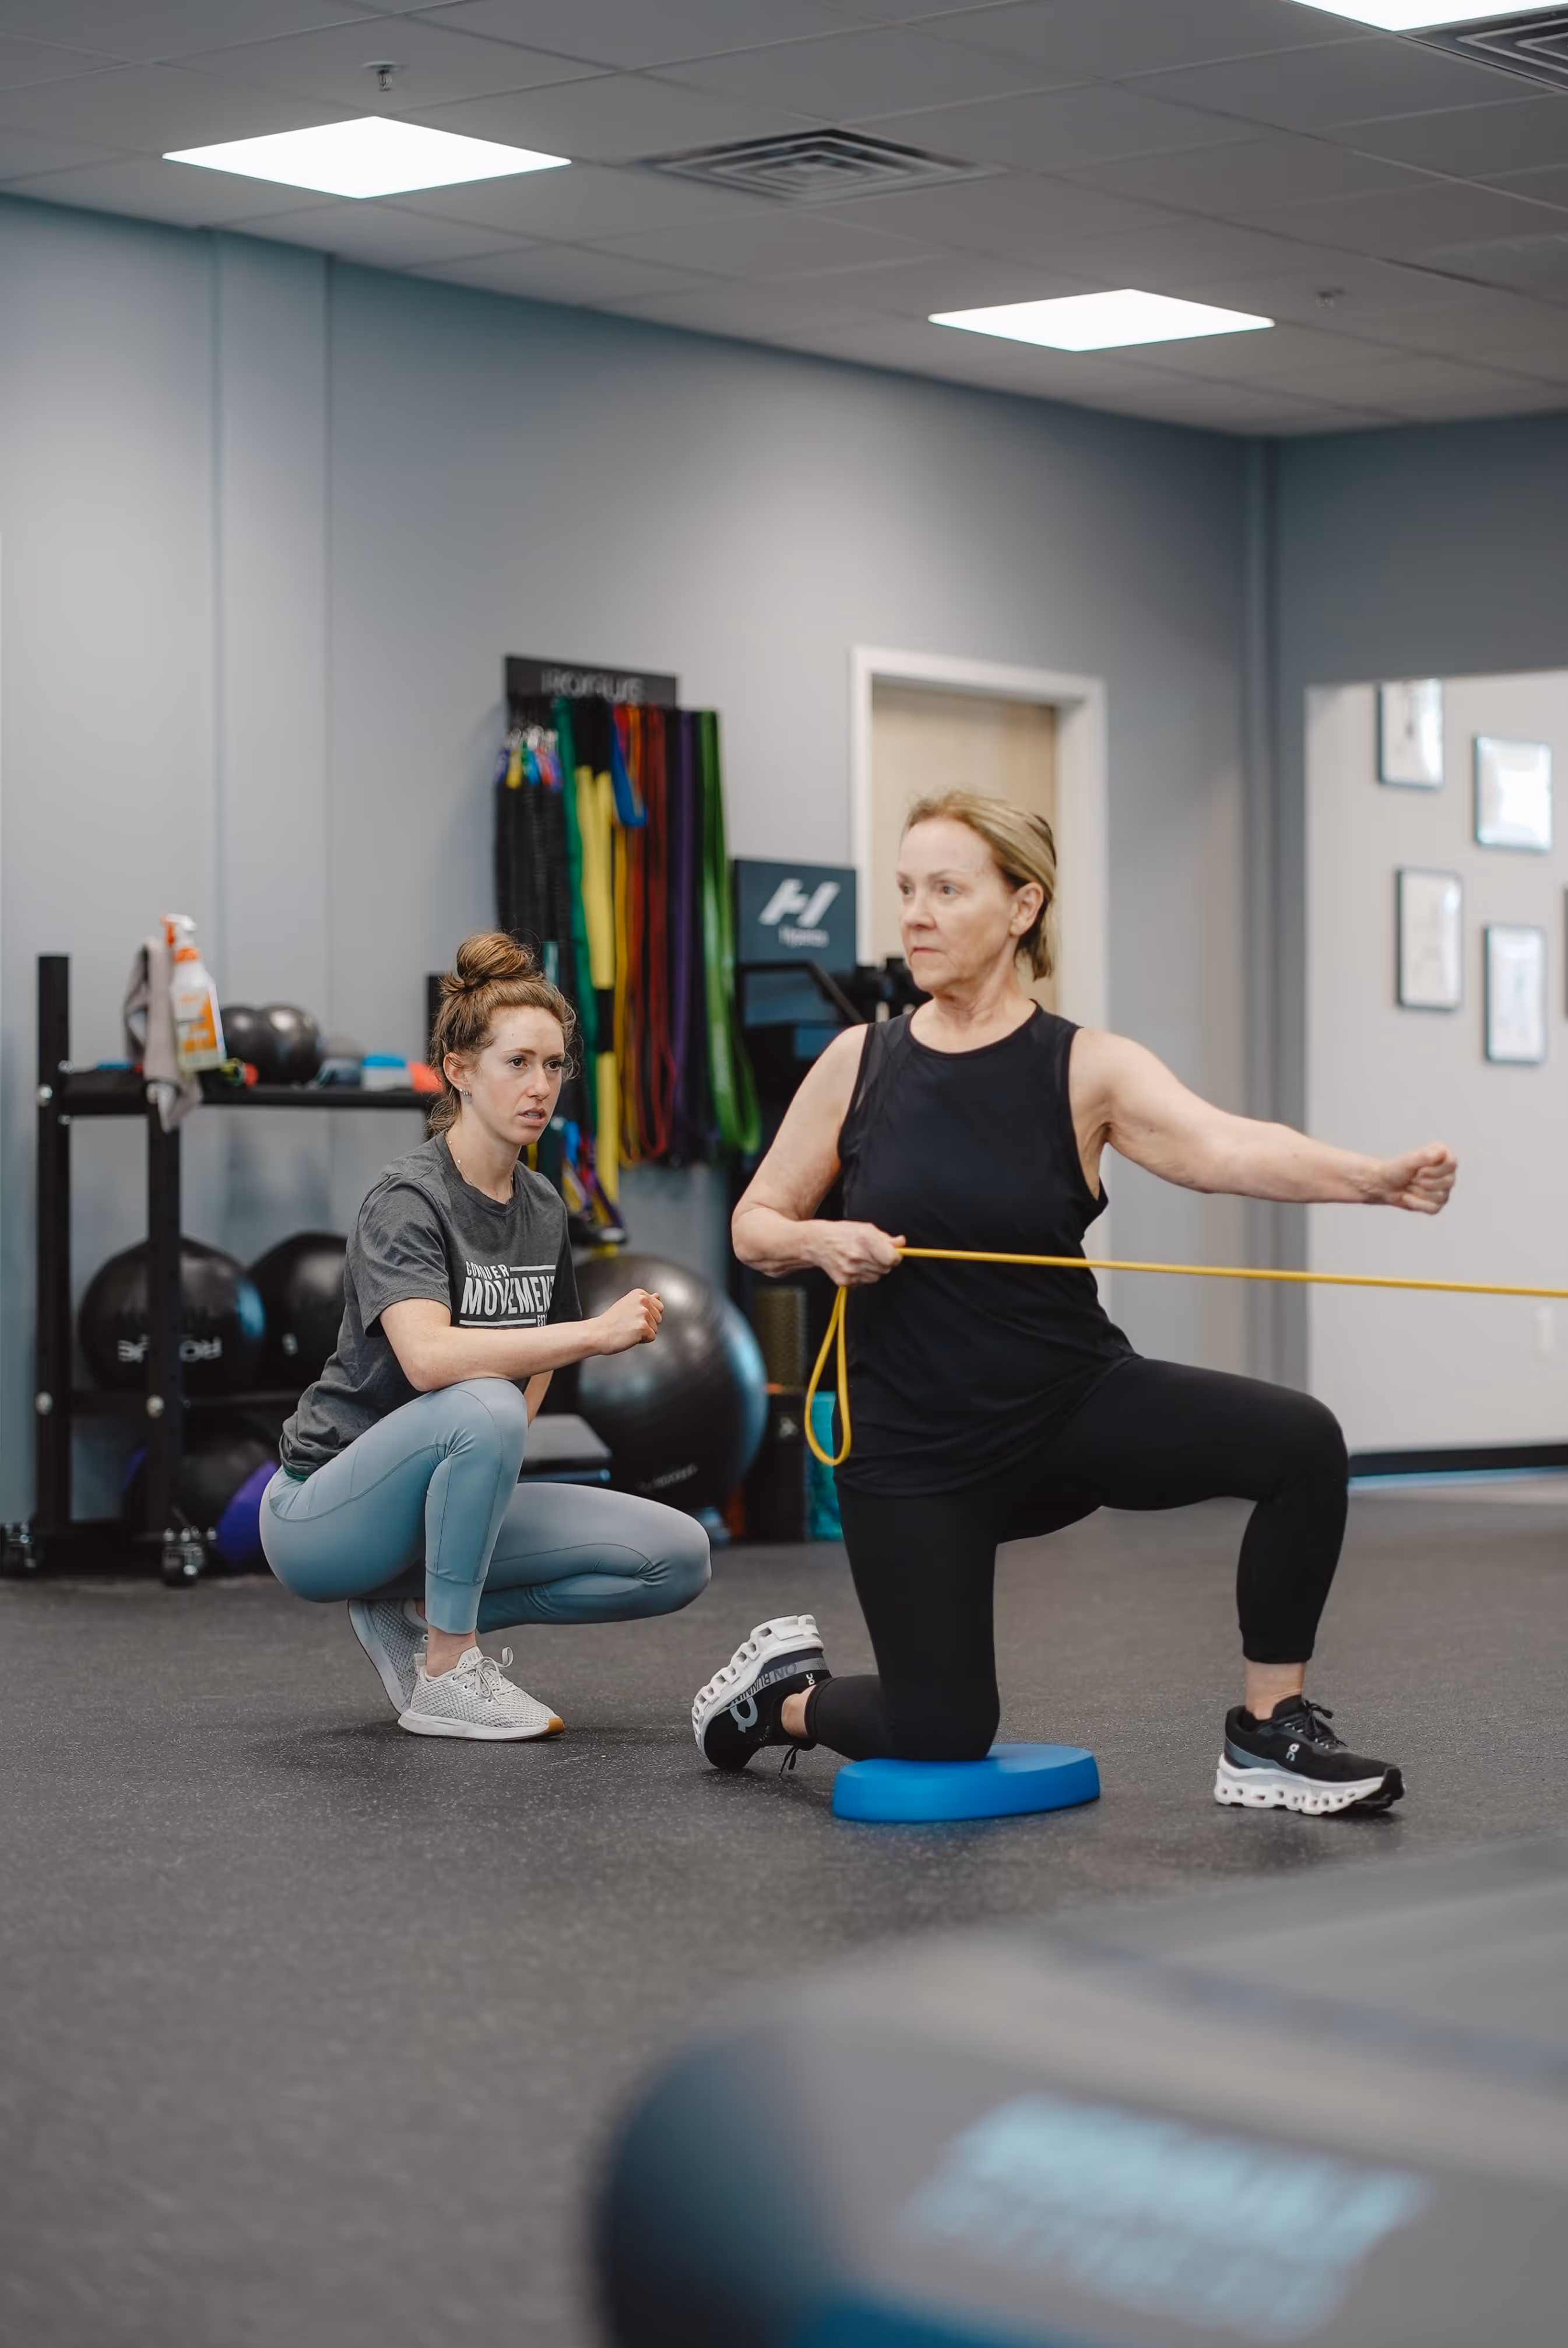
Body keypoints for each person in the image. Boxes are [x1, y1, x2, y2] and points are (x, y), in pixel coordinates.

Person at [691, 791, 1457, 1815]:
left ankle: (1267, 1734)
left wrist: (1368, 1178)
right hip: (915, 1449)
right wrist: (817, 1239)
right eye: (907, 889)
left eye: (946, 890)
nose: (914, 914)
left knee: (1299, 1443)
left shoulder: (1084, 1065)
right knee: (942, 1729)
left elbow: (1219, 1144)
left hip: (1066, 1407)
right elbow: (755, 1226)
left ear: (1020, 907)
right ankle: (780, 1701)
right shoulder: (857, 1064)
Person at [261, 933, 709, 1739]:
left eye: (554, 1065)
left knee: (676, 1557)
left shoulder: (541, 1207)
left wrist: (485, 1478)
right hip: (321, 1516)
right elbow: (430, 1360)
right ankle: (447, 1674)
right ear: (458, 1071)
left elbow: (528, 1364)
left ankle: (414, 1612)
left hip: (443, 1488)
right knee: (481, 1403)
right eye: (517, 1064)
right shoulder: (406, 1199)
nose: (540, 1087)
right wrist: (593, 1336)